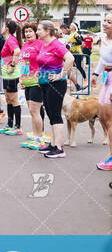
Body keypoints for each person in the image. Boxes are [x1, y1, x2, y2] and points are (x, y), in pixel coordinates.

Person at [37, 20, 74, 158]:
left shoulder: (56, 44)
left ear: (47, 31)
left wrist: (61, 75)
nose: (37, 32)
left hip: (56, 84)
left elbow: (70, 58)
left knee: (55, 114)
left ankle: (59, 148)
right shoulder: (44, 44)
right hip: (45, 83)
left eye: (39, 29)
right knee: (51, 114)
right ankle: (53, 144)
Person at [18, 22, 45, 149]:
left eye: (30, 31)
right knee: (31, 111)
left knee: (35, 111)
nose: (28, 34)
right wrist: (21, 79)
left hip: (37, 81)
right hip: (27, 81)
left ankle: (40, 139)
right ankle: (35, 137)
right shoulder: (24, 46)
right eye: (26, 32)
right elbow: (23, 63)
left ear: (36, 33)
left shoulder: (40, 44)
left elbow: (44, 62)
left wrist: (40, 78)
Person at [91, 13, 112, 170]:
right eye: (104, 20)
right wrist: (95, 74)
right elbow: (102, 60)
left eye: (109, 22)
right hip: (106, 79)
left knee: (110, 120)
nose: (105, 23)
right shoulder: (103, 40)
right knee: (103, 117)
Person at [0, 19, 22, 134]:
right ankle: (9, 124)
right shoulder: (8, 39)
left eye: (3, 26)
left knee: (14, 99)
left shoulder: (11, 40)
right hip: (6, 74)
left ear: (7, 29)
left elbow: (17, 51)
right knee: (8, 99)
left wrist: (12, 66)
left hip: (11, 74)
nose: (1, 28)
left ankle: (18, 126)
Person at [68, 22, 87, 89]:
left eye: (71, 25)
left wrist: (72, 42)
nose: (70, 26)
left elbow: (80, 42)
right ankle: (68, 80)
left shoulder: (76, 34)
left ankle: (85, 79)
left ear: (74, 27)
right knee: (69, 66)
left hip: (77, 52)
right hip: (72, 52)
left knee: (78, 66)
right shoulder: (71, 34)